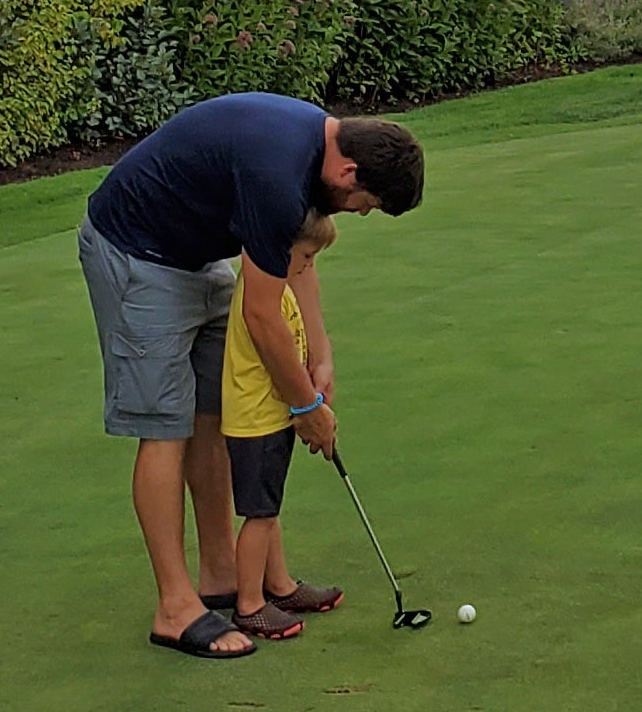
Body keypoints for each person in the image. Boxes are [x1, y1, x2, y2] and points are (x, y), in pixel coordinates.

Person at [77, 94, 425, 659]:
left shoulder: (321, 153)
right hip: (135, 253)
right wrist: (307, 407)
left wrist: (318, 349)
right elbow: (263, 317)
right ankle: (174, 607)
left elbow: (293, 255)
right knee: (167, 426)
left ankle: (222, 576)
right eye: (366, 203)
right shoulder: (277, 172)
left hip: (194, 256)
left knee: (214, 411)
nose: (360, 212)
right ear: (349, 172)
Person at [224, 210, 346, 640]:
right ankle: (250, 605)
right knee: (259, 515)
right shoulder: (261, 296)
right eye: (307, 256)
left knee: (269, 509)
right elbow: (275, 361)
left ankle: (279, 587)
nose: (309, 266)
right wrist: (308, 405)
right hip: (255, 420)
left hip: (271, 415)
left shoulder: (281, 287)